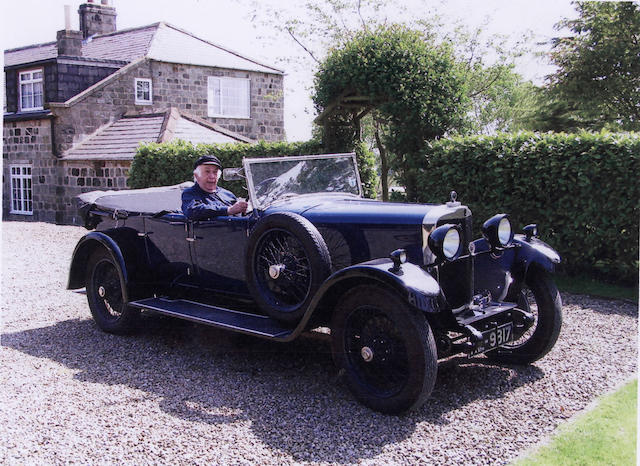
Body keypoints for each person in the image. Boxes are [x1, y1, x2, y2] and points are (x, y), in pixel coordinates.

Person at [181, 155, 248, 220]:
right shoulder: (190, 193)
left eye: (215, 172)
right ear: (196, 175)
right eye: (207, 172)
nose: (212, 176)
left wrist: (242, 209)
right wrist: (228, 210)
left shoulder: (228, 195)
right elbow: (192, 211)